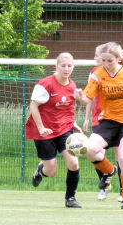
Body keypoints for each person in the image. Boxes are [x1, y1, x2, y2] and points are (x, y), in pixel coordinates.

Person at [80, 42, 123, 209]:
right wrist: (79, 97)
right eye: (103, 60)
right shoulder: (98, 74)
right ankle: (109, 171)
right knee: (89, 150)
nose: (106, 64)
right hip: (108, 120)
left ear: (119, 59)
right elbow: (87, 99)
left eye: (109, 60)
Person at [28, 52, 84, 208]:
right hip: (44, 132)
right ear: (56, 66)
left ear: (73, 67)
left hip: (64, 129)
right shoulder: (45, 84)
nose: (66, 69)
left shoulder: (72, 85)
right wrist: (41, 127)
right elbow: (33, 105)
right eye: (63, 65)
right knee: (52, 171)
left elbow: (66, 108)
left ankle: (70, 198)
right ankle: (41, 171)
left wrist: (73, 123)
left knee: (73, 162)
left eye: (69, 66)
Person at [82, 43, 121, 202]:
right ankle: (106, 184)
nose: (95, 58)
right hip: (99, 119)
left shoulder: (120, 71)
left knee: (121, 155)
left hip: (118, 119)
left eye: (96, 55)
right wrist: (86, 117)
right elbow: (89, 98)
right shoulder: (94, 73)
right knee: (97, 153)